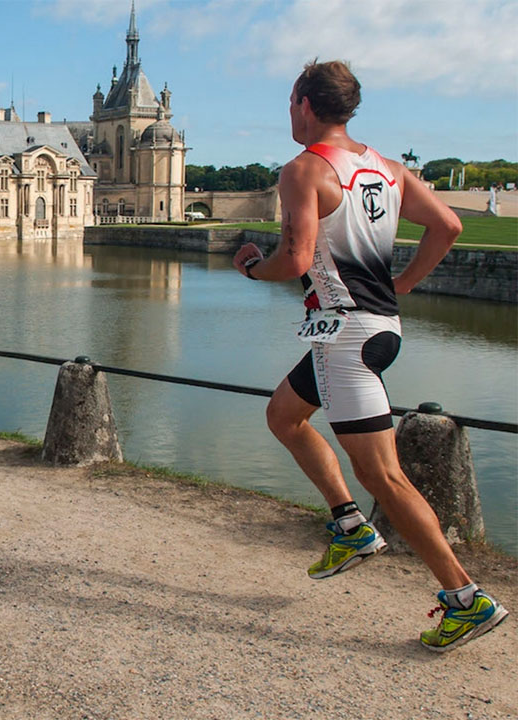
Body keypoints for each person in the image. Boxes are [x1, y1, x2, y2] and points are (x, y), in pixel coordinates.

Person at [233, 60, 507, 652]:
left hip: (343, 337)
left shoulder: (303, 170)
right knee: (284, 416)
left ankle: (466, 599)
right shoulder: (388, 167)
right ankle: (351, 526)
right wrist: (403, 282)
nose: (287, 112)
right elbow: (450, 226)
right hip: (379, 327)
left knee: (383, 473)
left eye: (289, 102)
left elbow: (298, 258)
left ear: (306, 103)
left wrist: (255, 268)